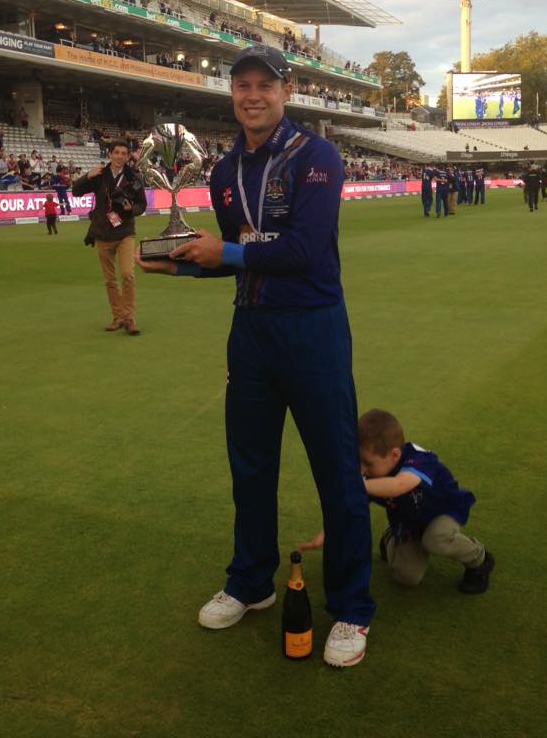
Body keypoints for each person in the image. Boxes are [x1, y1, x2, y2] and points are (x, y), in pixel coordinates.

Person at [136, 44, 375, 668]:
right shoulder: (221, 172)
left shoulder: (317, 157)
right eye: (242, 85)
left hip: (314, 330)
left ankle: (351, 606)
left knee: (335, 471)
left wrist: (227, 254)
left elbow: (304, 251)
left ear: (286, 90)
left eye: (264, 85)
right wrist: (183, 265)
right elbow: (238, 256)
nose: (252, 96)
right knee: (250, 466)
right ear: (232, 93)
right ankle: (250, 581)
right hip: (251, 332)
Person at [300, 410, 494, 595]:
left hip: (443, 511)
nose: (362, 469)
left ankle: (479, 558)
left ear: (394, 455)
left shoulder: (419, 459)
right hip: (408, 520)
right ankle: (390, 535)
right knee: (407, 577)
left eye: (368, 463)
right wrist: (325, 533)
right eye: (359, 461)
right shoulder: (369, 476)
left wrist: (357, 484)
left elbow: (398, 485)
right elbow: (347, 508)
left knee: (435, 539)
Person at [72, 140, 146, 335]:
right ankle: (118, 317)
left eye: (124, 153)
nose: (120, 156)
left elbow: (142, 205)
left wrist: (132, 209)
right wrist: (87, 176)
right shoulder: (98, 175)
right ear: (110, 154)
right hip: (103, 232)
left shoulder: (134, 178)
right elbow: (76, 191)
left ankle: (129, 318)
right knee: (110, 280)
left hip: (125, 232)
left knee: (127, 274)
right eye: (117, 152)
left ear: (128, 157)